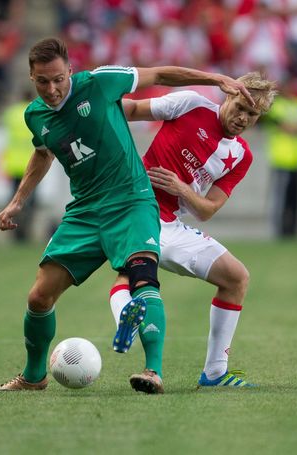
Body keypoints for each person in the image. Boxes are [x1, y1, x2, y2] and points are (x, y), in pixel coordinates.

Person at [0, 37, 255, 394]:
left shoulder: (101, 81)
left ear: (71, 70)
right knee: (39, 298)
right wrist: (18, 200)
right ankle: (34, 376)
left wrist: (215, 79)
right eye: (42, 81)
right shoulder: (34, 115)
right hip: (85, 210)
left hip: (132, 199)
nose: (51, 89)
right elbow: (43, 154)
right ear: (31, 78)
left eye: (58, 79)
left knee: (142, 278)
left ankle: (153, 371)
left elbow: (161, 72)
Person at [108, 72, 277, 389]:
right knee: (132, 273)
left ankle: (214, 372)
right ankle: (127, 321)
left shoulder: (241, 155)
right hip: (136, 207)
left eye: (252, 114)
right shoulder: (190, 104)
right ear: (229, 96)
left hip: (171, 222)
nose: (243, 118)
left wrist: (181, 188)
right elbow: (130, 111)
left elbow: (207, 210)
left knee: (236, 277)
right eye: (240, 107)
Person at [263, 78, 297, 238]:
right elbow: (288, 127)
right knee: (280, 200)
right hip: (281, 159)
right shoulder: (275, 106)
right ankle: (278, 232)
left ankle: (293, 232)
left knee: (295, 200)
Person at [1, 90, 37, 243]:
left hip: (14, 163)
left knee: (14, 198)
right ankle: (25, 230)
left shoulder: (11, 113)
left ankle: (13, 228)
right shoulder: (35, 112)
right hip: (32, 165)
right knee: (31, 199)